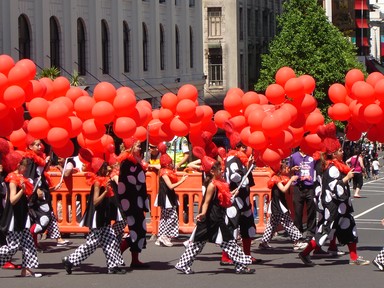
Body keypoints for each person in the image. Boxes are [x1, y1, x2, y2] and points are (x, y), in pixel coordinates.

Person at [298, 123, 370, 267]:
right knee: (324, 232)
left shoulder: (335, 166)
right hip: (333, 206)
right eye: (339, 150)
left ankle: (354, 257)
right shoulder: (332, 168)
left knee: (349, 229)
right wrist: (347, 177)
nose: (342, 152)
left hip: (341, 206)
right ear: (333, 153)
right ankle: (305, 252)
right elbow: (335, 187)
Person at [174, 157, 255, 275]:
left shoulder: (221, 183)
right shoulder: (212, 185)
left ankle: (240, 266)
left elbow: (224, 197)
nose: (222, 171)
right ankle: (183, 264)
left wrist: (232, 193)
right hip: (211, 219)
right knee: (201, 244)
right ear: (212, 171)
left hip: (218, 218)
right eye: (219, 169)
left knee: (228, 243)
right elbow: (206, 202)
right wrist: (202, 213)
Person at [62, 155, 126, 275]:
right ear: (99, 169)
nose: (107, 168)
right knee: (92, 243)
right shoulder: (97, 182)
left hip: (104, 215)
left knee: (111, 240)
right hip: (97, 217)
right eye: (104, 167)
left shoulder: (105, 180)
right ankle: (70, 260)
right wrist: (106, 192)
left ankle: (113, 265)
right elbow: (96, 201)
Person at [0, 154, 42, 277]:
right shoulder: (13, 179)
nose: (26, 168)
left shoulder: (18, 178)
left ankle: (27, 270)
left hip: (22, 215)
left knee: (28, 243)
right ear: (18, 165)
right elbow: (12, 199)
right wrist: (22, 191)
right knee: (13, 246)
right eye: (25, 166)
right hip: (14, 217)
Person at [221, 129, 259, 265]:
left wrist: (248, 166)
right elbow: (234, 177)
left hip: (245, 199)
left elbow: (248, 180)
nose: (246, 149)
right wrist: (243, 173)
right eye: (244, 146)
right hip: (235, 200)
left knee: (247, 226)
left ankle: (247, 254)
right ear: (238, 147)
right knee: (231, 227)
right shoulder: (232, 159)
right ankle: (226, 256)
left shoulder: (242, 160)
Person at [23, 137, 68, 249]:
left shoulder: (39, 158)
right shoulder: (29, 159)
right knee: (44, 217)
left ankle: (33, 242)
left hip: (43, 192)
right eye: (37, 145)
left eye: (40, 144)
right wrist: (35, 190)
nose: (40, 147)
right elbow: (29, 177)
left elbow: (41, 174)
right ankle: (29, 236)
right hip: (36, 194)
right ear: (30, 147)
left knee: (47, 217)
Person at [117, 137, 150, 268]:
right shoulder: (126, 163)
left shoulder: (136, 162)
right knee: (136, 230)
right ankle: (117, 254)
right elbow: (131, 181)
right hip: (130, 201)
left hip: (137, 200)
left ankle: (134, 259)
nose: (140, 148)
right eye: (137, 146)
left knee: (140, 229)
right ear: (130, 148)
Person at [258, 161, 303, 250]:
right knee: (288, 223)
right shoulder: (276, 178)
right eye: (285, 167)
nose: (287, 168)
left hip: (277, 203)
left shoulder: (280, 177)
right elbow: (283, 189)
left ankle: (264, 242)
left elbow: (286, 175)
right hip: (278, 204)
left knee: (272, 224)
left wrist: (291, 171)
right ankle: (297, 241)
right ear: (280, 170)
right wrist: (291, 180)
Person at [154, 143, 188, 247]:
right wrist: (182, 180)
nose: (171, 164)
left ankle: (162, 236)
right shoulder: (164, 173)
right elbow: (171, 186)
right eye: (170, 163)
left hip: (168, 196)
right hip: (166, 196)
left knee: (165, 217)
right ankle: (165, 236)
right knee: (171, 216)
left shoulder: (166, 171)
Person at [289, 147, 317, 246]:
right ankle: (298, 234)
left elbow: (317, 169)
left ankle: (311, 233)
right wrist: (293, 169)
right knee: (298, 212)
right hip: (298, 186)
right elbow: (288, 169)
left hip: (310, 187)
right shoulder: (293, 156)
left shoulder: (313, 156)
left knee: (312, 211)